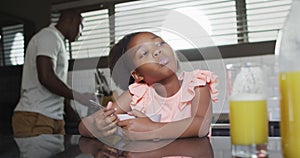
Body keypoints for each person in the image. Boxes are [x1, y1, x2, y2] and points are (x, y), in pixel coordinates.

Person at [79, 31, 218, 140]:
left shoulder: (196, 83)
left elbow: (201, 125)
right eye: (144, 53)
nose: (157, 51)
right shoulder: (137, 93)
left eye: (160, 43)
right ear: (138, 75)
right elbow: (84, 125)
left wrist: (152, 129)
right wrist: (96, 127)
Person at [12, 9, 94, 137]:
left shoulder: (57, 41)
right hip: (36, 116)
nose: (81, 33)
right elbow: (46, 77)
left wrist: (80, 120)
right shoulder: (49, 37)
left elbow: (58, 89)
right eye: (81, 26)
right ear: (71, 20)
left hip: (53, 118)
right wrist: (80, 97)